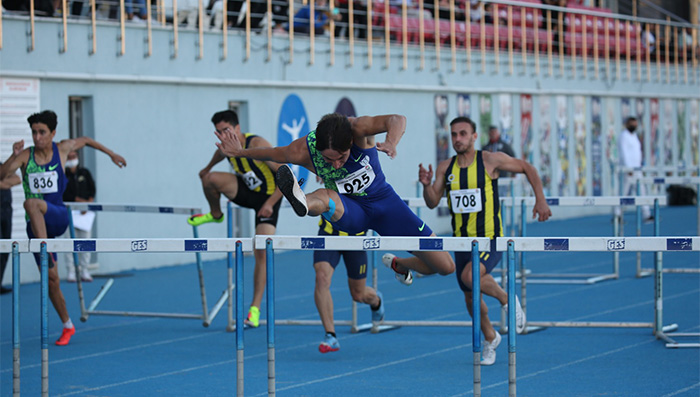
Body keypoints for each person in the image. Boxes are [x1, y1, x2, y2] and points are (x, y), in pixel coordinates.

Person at [214, 113, 456, 285]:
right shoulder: (300, 151)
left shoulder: (358, 128)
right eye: (329, 161)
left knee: (445, 266)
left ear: (351, 142)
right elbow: (272, 152)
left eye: (341, 157)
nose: (337, 164)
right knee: (325, 196)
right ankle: (303, 201)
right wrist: (240, 152)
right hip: (350, 210)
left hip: (386, 206)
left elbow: (398, 119)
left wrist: (391, 142)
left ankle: (400, 264)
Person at [417, 116, 551, 365]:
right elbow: (432, 201)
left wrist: (540, 199)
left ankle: (507, 299)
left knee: (470, 277)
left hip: (490, 238)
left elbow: (527, 168)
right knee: (470, 297)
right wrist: (426, 185)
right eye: (454, 134)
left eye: (463, 134)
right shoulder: (446, 167)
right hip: (461, 242)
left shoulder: (490, 160)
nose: (458, 139)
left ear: (474, 136)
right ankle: (491, 337)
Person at [0, 110, 126, 346]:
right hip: (36, 229)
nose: (37, 138)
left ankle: (45, 248)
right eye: (34, 133)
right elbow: (1, 175)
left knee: (31, 203)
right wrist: (12, 156)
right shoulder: (25, 156)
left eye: (42, 133)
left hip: (56, 217)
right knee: (51, 280)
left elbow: (87, 140)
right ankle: (68, 325)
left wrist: (112, 154)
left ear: (53, 133)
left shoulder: (63, 148)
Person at [188, 109, 283, 328]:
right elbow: (221, 154)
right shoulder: (225, 146)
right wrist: (207, 168)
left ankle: (255, 309)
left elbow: (286, 176)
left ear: (238, 129)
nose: (223, 136)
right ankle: (216, 214)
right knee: (210, 180)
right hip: (247, 192)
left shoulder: (257, 144)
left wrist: (269, 204)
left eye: (226, 131)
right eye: (218, 132)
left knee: (261, 251)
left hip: (269, 198)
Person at [314, 217, 383, 353]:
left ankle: (376, 301)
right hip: (329, 234)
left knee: (358, 295)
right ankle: (330, 336)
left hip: (355, 238)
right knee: (321, 278)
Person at [62, 150, 96, 283]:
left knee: (86, 242)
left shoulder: (85, 173)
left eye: (74, 156)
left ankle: (85, 270)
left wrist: (87, 204)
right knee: (69, 243)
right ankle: (71, 271)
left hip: (85, 214)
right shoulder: (63, 174)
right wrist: (78, 201)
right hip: (70, 212)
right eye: (69, 157)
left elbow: (92, 189)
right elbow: (65, 194)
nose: (72, 159)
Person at [616, 116, 652, 221]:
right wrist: (628, 168)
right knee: (623, 193)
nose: (634, 126)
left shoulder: (634, 136)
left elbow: (638, 152)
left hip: (637, 169)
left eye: (635, 124)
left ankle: (647, 214)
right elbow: (624, 153)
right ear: (627, 124)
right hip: (628, 170)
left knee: (642, 191)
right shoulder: (623, 136)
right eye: (632, 124)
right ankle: (617, 214)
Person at [0, 165, 22, 295]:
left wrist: (2, 183)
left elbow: (17, 179)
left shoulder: (3, 166)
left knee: (6, 248)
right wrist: (5, 183)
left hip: (7, 210)